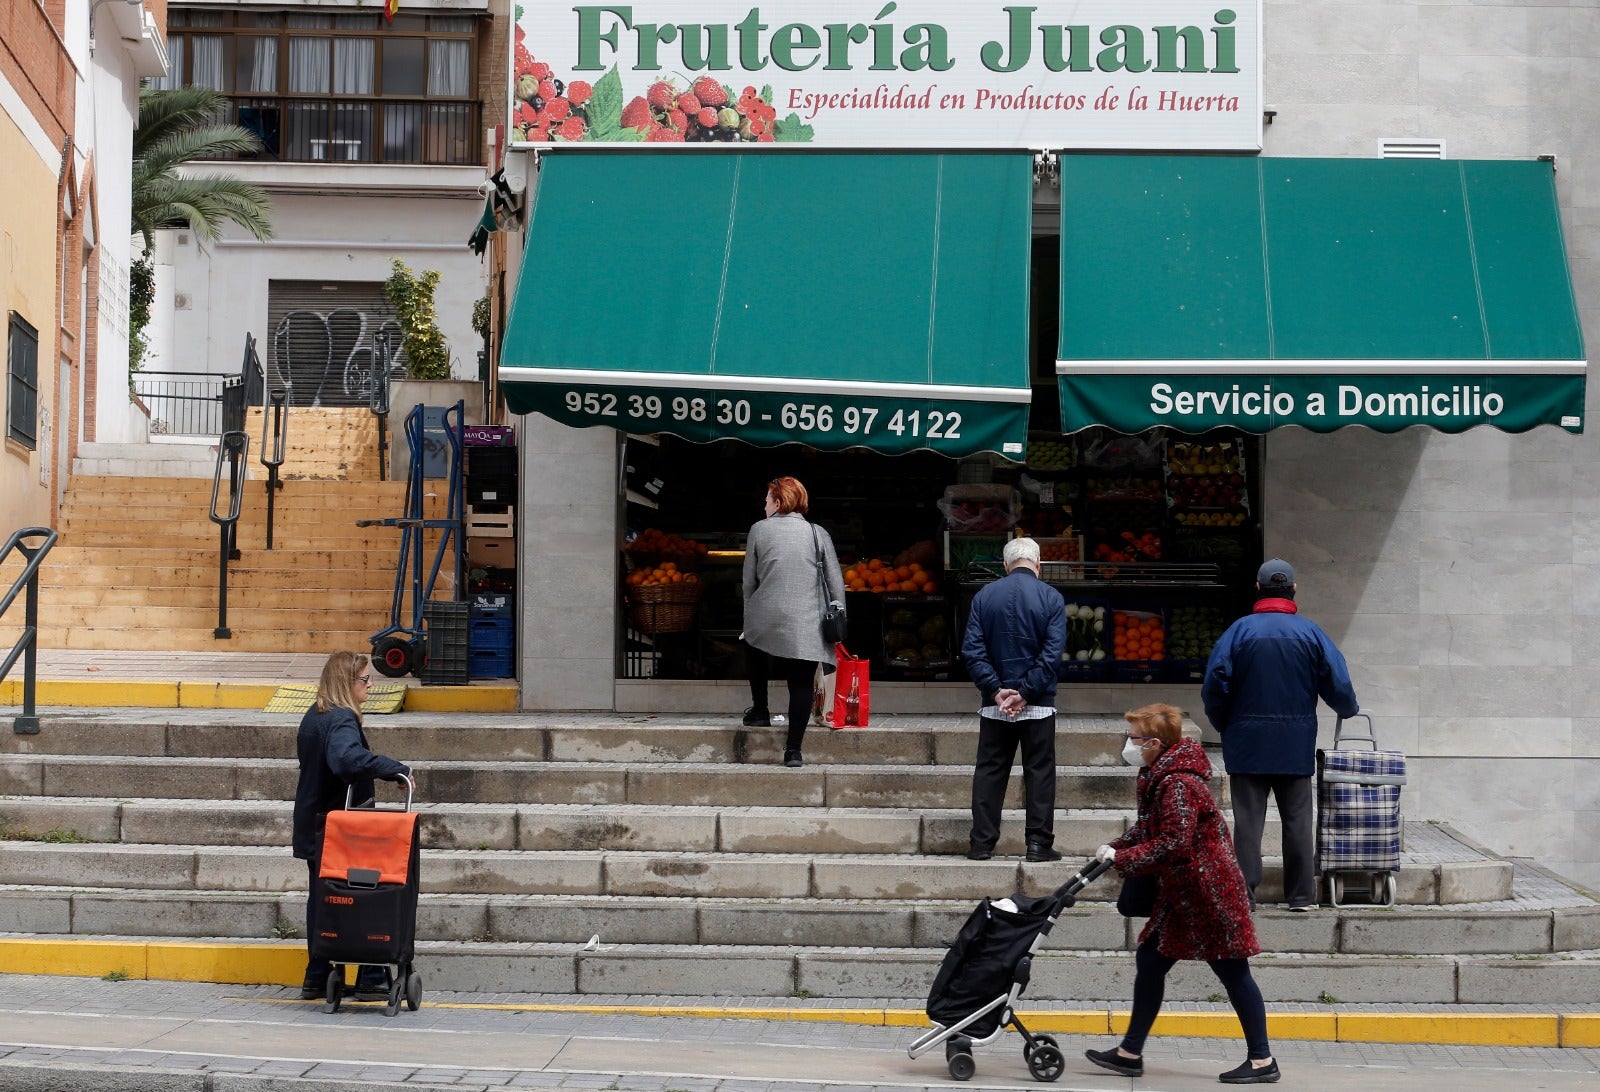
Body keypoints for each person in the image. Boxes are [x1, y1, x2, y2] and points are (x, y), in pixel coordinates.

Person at [1086, 703, 1279, 1085]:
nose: (1129, 745)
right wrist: (1114, 847)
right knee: (1150, 961)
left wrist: (1124, 857)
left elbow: (1174, 841)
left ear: (1155, 743)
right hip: (1184, 892)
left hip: (1209, 893)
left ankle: (1262, 1061)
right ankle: (1129, 1052)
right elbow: (1148, 830)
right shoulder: (1160, 773)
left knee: (1234, 972)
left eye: (1135, 739)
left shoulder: (1177, 783)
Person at [1201, 558, 1359, 911]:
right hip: (1295, 742)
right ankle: (1301, 895)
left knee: (1248, 824)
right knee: (1299, 821)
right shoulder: (1311, 633)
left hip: (1247, 743)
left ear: (1257, 588)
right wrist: (1347, 709)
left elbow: (1214, 685)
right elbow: (1339, 683)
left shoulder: (1238, 632)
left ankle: (1243, 896)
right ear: (1293, 589)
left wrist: (1224, 721)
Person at [291, 651, 410, 1000]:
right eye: (364, 679)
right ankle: (371, 976)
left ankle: (317, 974)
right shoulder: (342, 719)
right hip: (340, 828)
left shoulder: (314, 716)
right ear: (347, 683)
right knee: (360, 897)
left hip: (315, 823)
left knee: (324, 899)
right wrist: (394, 768)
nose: (370, 685)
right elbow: (345, 759)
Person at [959, 536, 1066, 862]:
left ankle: (981, 844)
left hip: (996, 704)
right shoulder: (1051, 597)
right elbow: (1052, 655)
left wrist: (996, 690)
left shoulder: (984, 596)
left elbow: (973, 651)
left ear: (1005, 565)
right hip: (1038, 703)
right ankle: (1038, 844)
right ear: (1038, 564)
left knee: (990, 770)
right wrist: (1027, 691)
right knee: (1040, 772)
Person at [741, 476, 844, 768]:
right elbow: (835, 581)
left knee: (753, 644)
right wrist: (838, 616)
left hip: (767, 615)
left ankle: (760, 710)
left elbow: (749, 582)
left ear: (777, 501)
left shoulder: (758, 530)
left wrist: (749, 616)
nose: (764, 504)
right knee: (800, 683)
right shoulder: (817, 533)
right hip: (806, 620)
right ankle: (793, 751)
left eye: (767, 499)